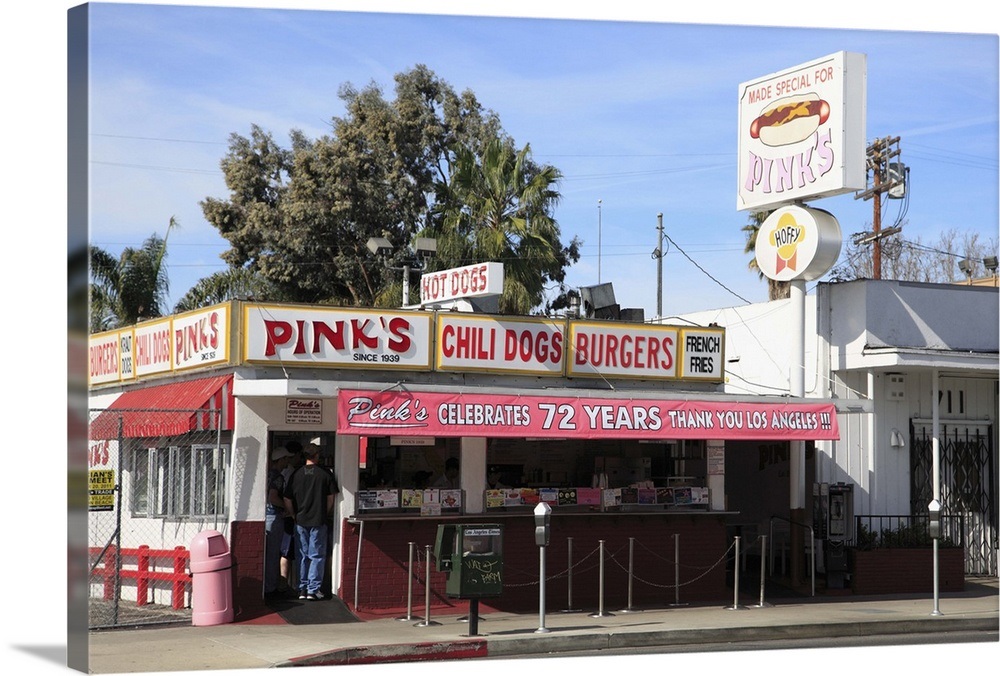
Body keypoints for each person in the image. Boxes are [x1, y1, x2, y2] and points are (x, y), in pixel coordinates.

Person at [283, 443, 339, 601]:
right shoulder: (325, 474)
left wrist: (293, 514)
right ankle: (313, 590)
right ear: (317, 456)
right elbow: (331, 498)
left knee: (302, 555)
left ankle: (302, 588)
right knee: (317, 555)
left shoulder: (296, 474)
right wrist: (325, 512)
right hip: (318, 519)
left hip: (300, 520)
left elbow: (287, 498)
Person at [264, 446, 294, 597]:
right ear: (280, 460)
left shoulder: (266, 474)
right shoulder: (278, 477)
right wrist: (287, 508)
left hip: (265, 515)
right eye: (286, 459)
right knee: (273, 554)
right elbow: (273, 497)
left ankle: (268, 585)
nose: (287, 461)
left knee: (268, 553)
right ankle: (270, 587)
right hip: (274, 517)